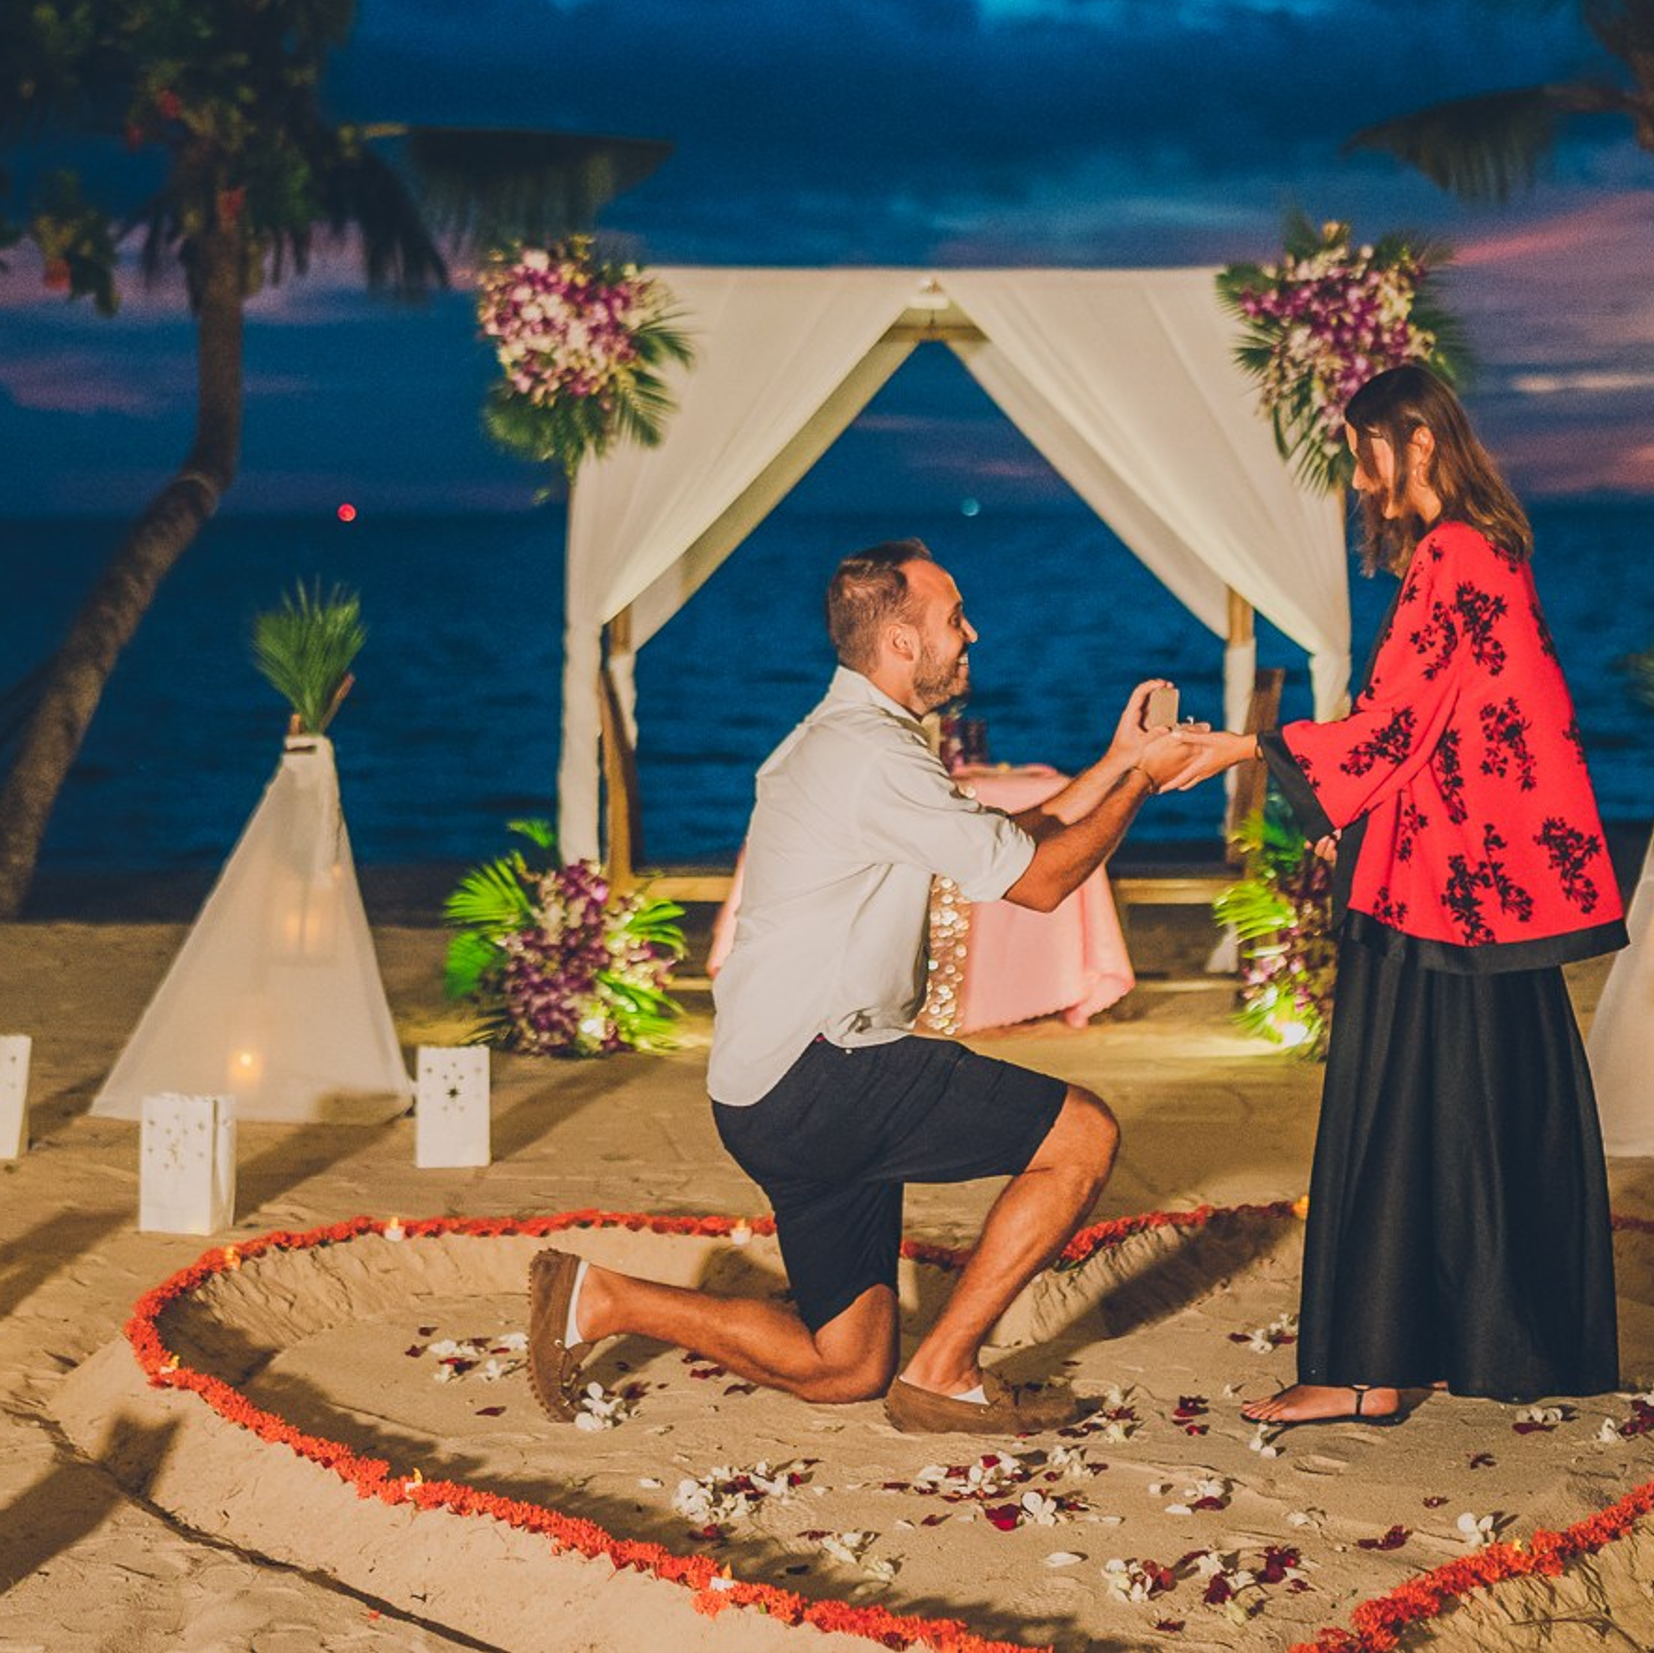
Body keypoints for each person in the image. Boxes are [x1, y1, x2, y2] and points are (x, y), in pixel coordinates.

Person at [527, 538, 1243, 1437]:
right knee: (1083, 1138)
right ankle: (945, 1371)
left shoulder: (849, 742)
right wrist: (1144, 781)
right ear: (902, 643)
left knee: (846, 1367)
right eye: (953, 619)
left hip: (766, 1085)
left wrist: (1114, 761)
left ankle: (601, 1297)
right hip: (826, 1069)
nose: (970, 633)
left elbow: (1008, 838)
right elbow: (1045, 882)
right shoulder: (870, 754)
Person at [1223, 364, 1628, 1427]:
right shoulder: (1490, 548)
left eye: (1364, 453)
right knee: (1474, 1110)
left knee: (1392, 1115)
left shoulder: (1454, 554)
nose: (1358, 479)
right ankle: (1490, 1342)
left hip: (1437, 891)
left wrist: (1253, 745)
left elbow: (1396, 720)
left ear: (1411, 443)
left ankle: (1365, 1368)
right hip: (1474, 887)